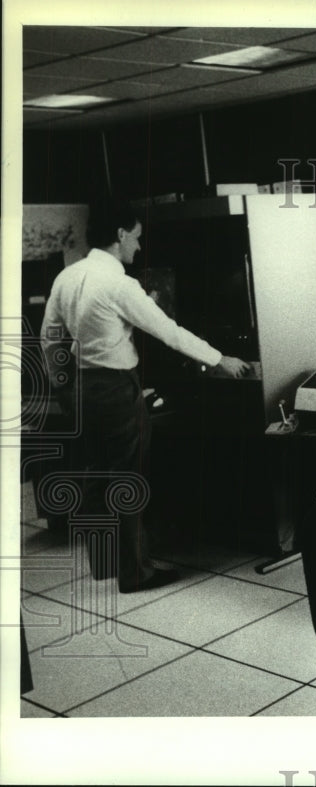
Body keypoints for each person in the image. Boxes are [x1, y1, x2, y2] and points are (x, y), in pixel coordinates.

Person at [40, 200, 251, 593]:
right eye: (136, 237)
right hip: (114, 389)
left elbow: (49, 335)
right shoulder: (119, 284)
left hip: (79, 388)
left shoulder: (67, 277)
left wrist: (63, 385)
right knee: (127, 478)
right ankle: (136, 572)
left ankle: (108, 565)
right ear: (120, 235)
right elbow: (168, 332)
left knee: (96, 476)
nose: (138, 247)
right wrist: (219, 359)